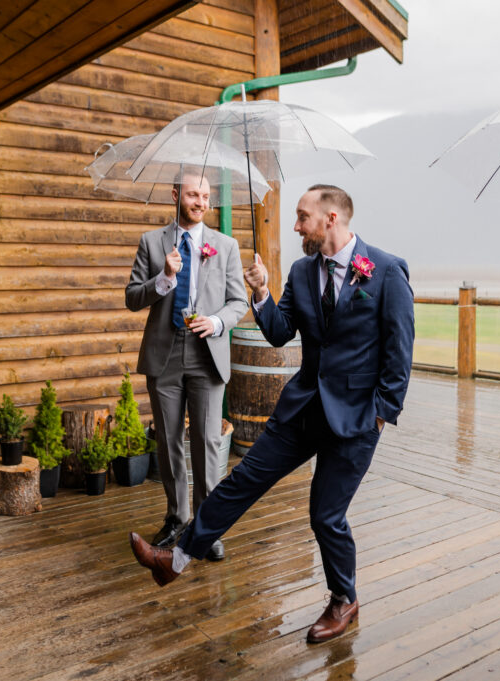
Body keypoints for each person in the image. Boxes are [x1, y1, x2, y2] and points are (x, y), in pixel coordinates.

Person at [129, 184, 414, 643]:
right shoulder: (302, 272)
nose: (297, 225)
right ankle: (175, 559)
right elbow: (280, 334)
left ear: (331, 219)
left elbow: (400, 353)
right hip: (302, 410)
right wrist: (261, 294)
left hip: (356, 420)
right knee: (242, 480)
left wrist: (380, 414)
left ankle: (344, 599)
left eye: (303, 217)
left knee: (325, 515)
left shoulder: (385, 270)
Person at [125, 174, 248, 561]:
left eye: (206, 196)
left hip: (207, 351)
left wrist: (215, 323)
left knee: (209, 443)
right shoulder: (151, 242)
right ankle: (177, 517)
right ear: (176, 195)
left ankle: (205, 527)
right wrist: (163, 278)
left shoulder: (225, 245)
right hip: (164, 353)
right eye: (194, 194)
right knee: (169, 440)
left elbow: (238, 302)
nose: (200, 202)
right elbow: (131, 298)